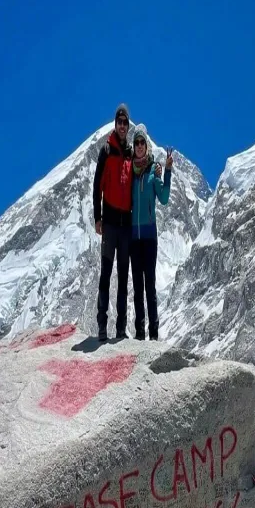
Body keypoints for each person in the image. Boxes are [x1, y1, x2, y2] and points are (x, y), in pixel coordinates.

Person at [93, 103, 133, 341]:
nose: (121, 126)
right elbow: (97, 184)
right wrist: (97, 217)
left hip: (125, 224)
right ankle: (101, 325)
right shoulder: (106, 150)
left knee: (123, 276)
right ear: (114, 124)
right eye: (119, 122)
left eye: (125, 123)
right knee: (106, 274)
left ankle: (120, 328)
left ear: (128, 126)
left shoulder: (130, 152)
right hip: (108, 222)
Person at [129, 124, 172, 340]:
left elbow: (163, 199)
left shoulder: (153, 171)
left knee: (150, 287)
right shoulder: (130, 173)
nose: (138, 146)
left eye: (141, 142)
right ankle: (139, 333)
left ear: (146, 146)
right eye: (136, 142)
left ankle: (153, 335)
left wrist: (168, 172)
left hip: (149, 237)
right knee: (137, 288)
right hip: (133, 238)